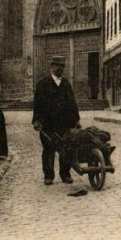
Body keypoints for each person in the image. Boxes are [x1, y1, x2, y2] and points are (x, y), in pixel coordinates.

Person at [32, 57, 80, 185]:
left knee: (66, 148)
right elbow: (37, 103)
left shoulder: (66, 84)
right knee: (48, 149)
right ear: (51, 67)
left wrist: (76, 120)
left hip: (65, 123)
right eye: (57, 65)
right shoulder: (43, 84)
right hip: (48, 123)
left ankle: (65, 174)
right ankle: (48, 175)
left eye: (62, 66)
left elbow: (72, 103)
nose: (60, 68)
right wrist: (36, 120)